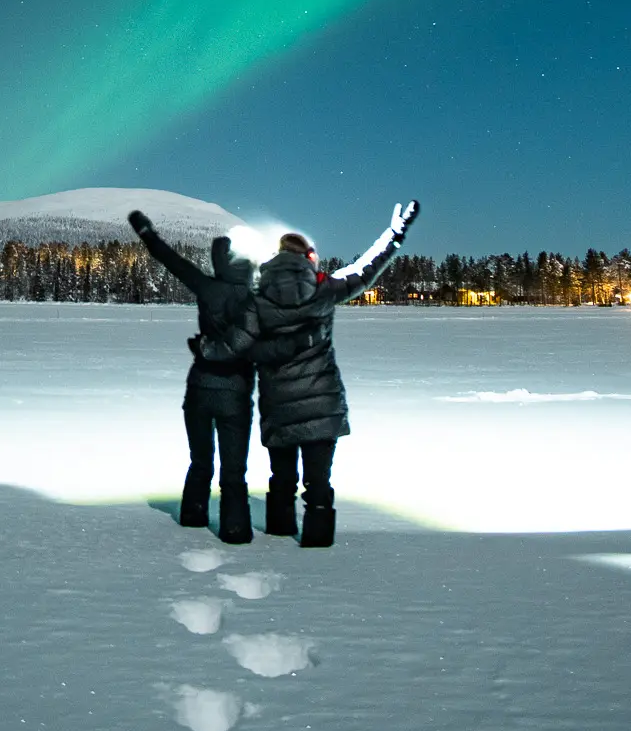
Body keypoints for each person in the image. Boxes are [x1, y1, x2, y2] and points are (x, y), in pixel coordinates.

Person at [251, 199, 419, 549]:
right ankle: (317, 539)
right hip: (321, 401)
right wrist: (395, 235)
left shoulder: (258, 295)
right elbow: (364, 270)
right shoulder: (323, 287)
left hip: (278, 402)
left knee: (281, 476)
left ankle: (278, 534)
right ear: (308, 257)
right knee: (318, 480)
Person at [126, 210, 259, 544]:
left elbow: (171, 260)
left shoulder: (206, 287)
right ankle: (234, 529)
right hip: (236, 392)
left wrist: (147, 232)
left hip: (199, 389)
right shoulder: (255, 300)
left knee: (200, 460)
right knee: (234, 471)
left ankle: (193, 516)